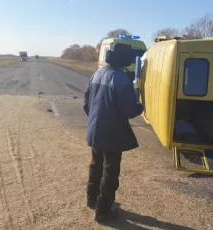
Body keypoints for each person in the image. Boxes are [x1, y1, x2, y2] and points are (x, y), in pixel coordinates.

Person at [83, 47, 143, 223]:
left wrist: (97, 119)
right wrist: (141, 106)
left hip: (95, 130)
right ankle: (103, 211)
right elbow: (130, 110)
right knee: (110, 171)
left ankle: (92, 199)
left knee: (96, 166)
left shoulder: (96, 75)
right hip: (112, 134)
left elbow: (87, 105)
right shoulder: (122, 80)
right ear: (123, 62)